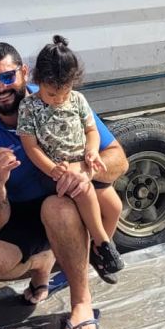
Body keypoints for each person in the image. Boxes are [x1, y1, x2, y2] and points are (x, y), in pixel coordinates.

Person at [0, 42, 128, 329]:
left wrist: (86, 170)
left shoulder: (65, 97)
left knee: (73, 205)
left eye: (7, 77)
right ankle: (44, 261)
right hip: (22, 212)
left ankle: (82, 302)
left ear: (25, 73)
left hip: (63, 200)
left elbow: (118, 158)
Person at [16, 35, 125, 279]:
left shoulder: (77, 100)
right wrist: (53, 169)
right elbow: (30, 146)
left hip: (83, 165)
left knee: (114, 205)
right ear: (38, 80)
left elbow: (91, 131)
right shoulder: (29, 107)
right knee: (85, 191)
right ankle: (104, 245)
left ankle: (98, 253)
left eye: (63, 93)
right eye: (51, 94)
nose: (58, 100)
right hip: (54, 173)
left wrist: (92, 151)